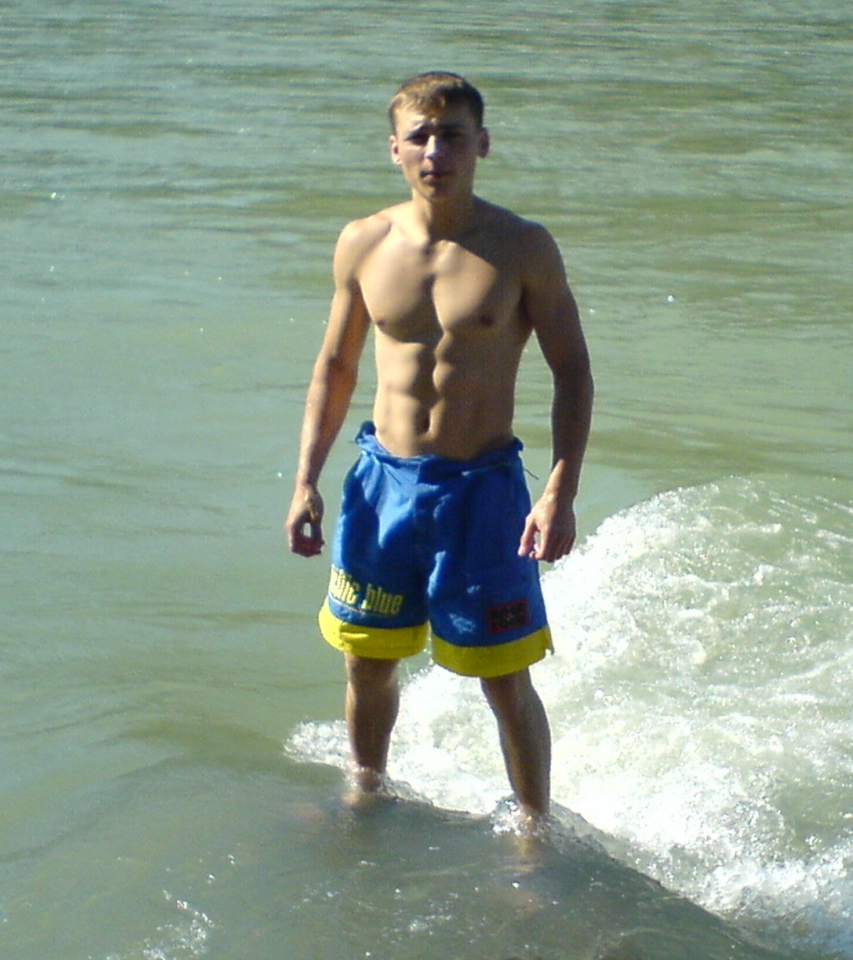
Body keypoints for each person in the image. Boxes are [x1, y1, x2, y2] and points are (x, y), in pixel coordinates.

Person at [284, 72, 593, 822]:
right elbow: (336, 367)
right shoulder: (364, 242)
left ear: (481, 144)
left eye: (452, 135)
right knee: (367, 659)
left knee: (504, 678)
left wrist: (559, 491)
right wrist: (305, 480)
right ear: (394, 149)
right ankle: (365, 794)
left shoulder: (521, 248)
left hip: (482, 491)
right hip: (381, 486)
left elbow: (573, 370)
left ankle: (534, 826)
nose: (435, 152)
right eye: (419, 137)